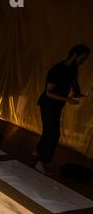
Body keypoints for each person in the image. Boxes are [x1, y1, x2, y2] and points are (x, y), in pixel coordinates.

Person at [35, 44, 90, 175]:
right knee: (53, 134)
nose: (84, 61)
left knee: (49, 131)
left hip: (57, 105)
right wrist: (67, 99)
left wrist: (77, 92)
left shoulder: (73, 69)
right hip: (47, 104)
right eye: (83, 57)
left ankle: (37, 151)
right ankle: (41, 162)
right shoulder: (57, 69)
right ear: (75, 55)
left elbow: (73, 82)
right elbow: (48, 93)